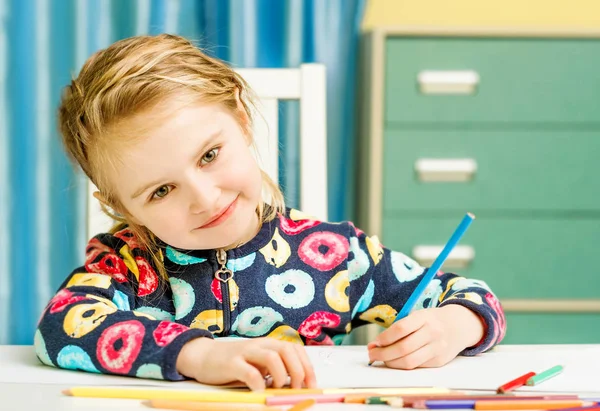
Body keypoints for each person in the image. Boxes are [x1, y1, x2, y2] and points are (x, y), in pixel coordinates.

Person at [35, 34, 506, 392]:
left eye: (208, 156)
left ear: (241, 121)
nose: (203, 197)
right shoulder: (126, 264)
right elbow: (60, 326)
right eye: (161, 190)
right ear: (121, 207)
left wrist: (454, 326)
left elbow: (471, 296)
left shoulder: (336, 255)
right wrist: (196, 356)